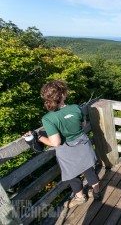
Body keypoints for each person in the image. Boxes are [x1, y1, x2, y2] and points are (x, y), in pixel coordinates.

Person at [23, 80, 101, 208]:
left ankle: (80, 197)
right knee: (88, 169)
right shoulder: (75, 108)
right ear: (64, 94)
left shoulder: (48, 118)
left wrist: (40, 138)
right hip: (82, 144)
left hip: (66, 150)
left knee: (72, 174)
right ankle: (97, 193)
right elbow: (83, 125)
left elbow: (56, 142)